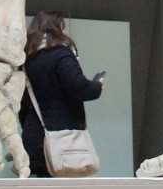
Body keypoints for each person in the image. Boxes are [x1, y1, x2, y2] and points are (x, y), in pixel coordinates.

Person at [18, 11, 104, 177]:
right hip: (62, 141)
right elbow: (79, 87)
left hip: (34, 137)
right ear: (57, 28)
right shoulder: (60, 54)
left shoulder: (27, 60)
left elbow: (23, 106)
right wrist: (97, 86)